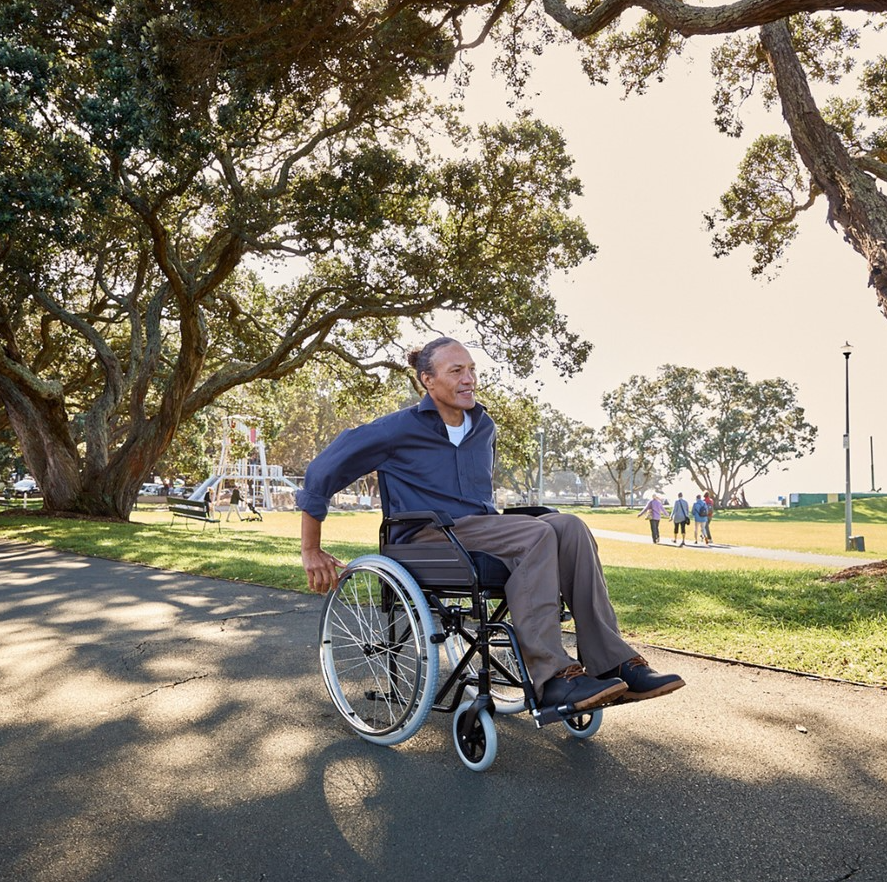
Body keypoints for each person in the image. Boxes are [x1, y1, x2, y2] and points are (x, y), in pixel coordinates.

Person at [298, 337, 684, 713]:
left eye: (472, 369)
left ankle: (611, 661)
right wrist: (311, 549)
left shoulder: (484, 427)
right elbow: (321, 473)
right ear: (427, 380)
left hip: (481, 529)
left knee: (570, 527)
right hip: (428, 537)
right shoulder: (396, 429)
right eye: (456, 371)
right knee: (536, 533)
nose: (469, 379)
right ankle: (551, 677)